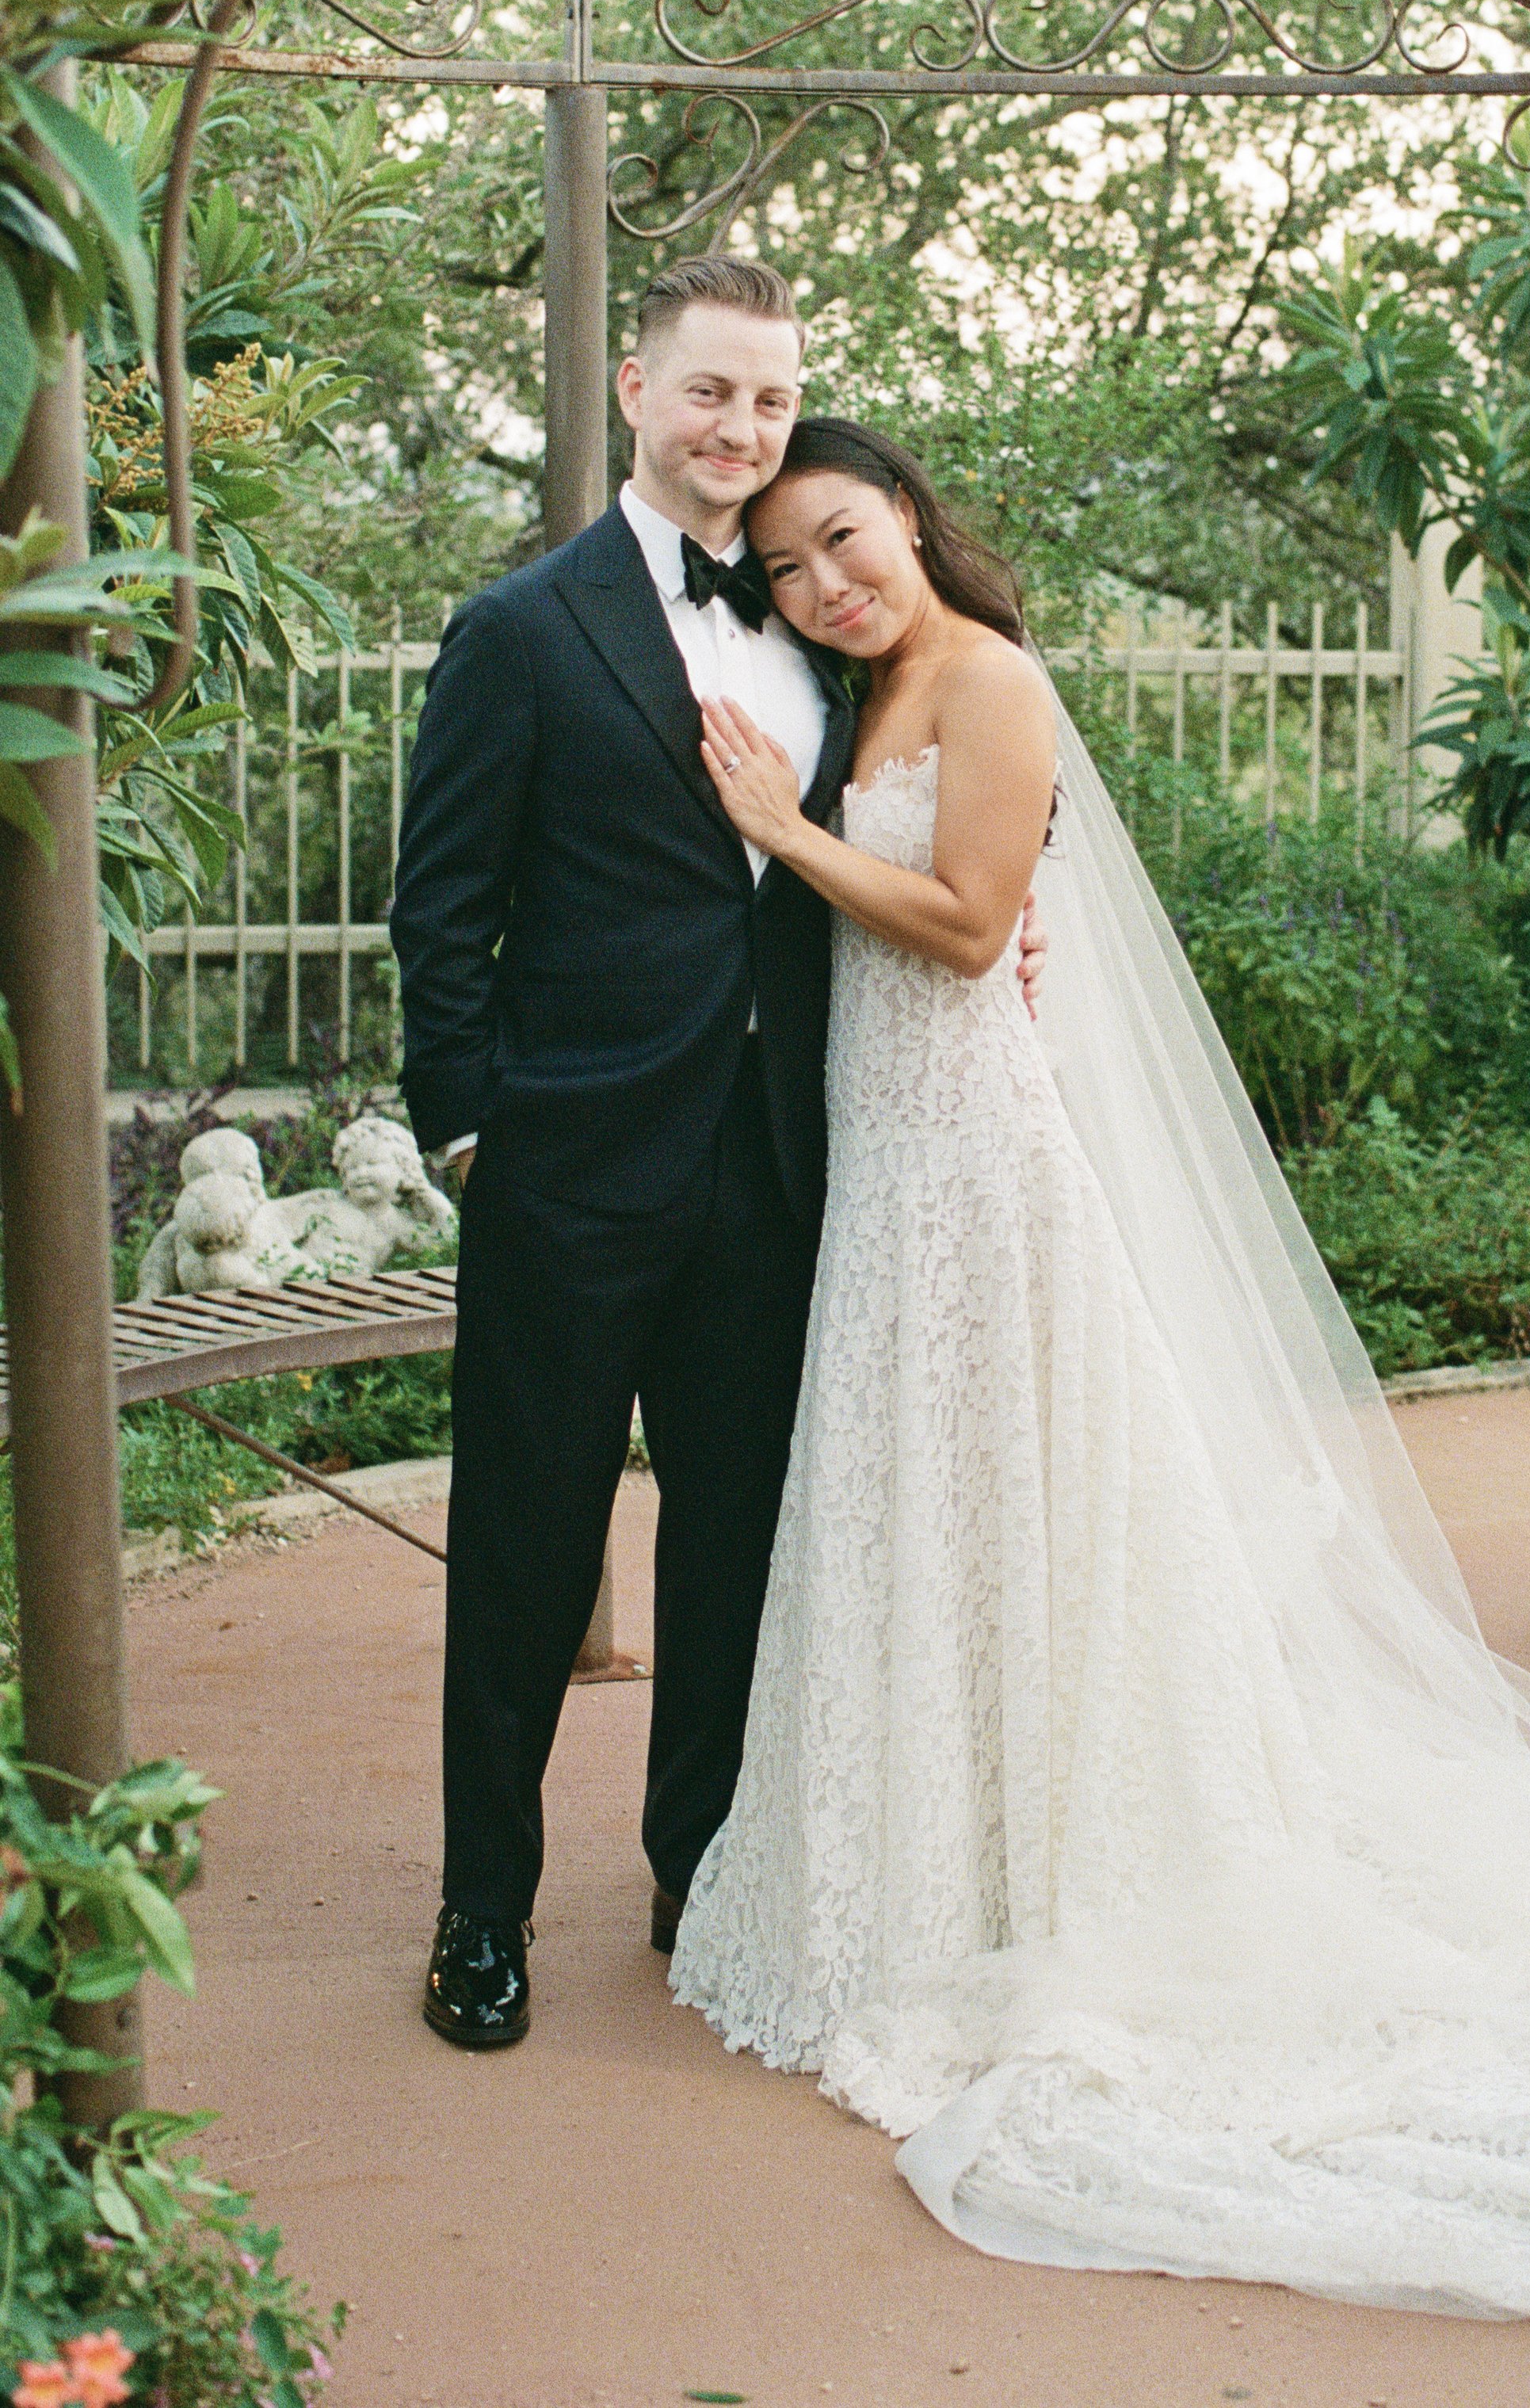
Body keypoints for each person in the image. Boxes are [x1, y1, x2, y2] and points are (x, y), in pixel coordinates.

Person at [671, 412, 1530, 2349]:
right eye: (783, 565)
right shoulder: (861, 691)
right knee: (929, 1499)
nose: (820, 584)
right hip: (893, 1164)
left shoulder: (992, 678)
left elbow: (962, 932)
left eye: (841, 537)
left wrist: (780, 833)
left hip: (981, 1165)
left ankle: (1055, 1854)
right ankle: (942, 1849)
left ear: (913, 521)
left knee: (1022, 1489)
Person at [390, 258, 1044, 2048]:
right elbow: (440, 911)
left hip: (778, 1170)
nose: (741, 429)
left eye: (770, 399)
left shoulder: (823, 626)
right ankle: (481, 1909)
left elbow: (926, 849)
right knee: (525, 1546)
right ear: (636, 389)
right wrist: (472, 1135)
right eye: (710, 391)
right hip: (567, 1173)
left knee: (740, 1542)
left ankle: (700, 1867)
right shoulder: (522, 630)